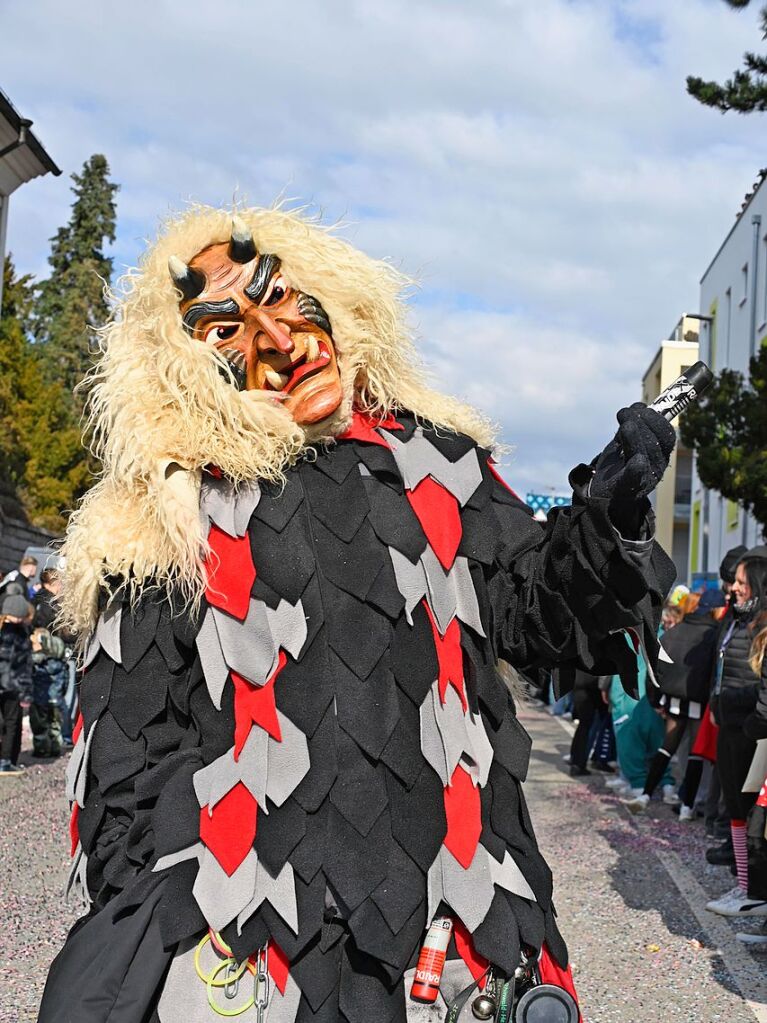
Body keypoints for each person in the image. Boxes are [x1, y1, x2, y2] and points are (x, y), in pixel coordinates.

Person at [38, 207, 675, 1022]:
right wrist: (169, 939)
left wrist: (605, 519)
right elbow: (128, 769)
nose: (278, 338)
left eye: (281, 296)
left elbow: (540, 616)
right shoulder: (164, 514)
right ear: (183, 369)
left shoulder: (438, 467)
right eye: (226, 329)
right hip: (255, 948)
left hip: (459, 927)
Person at [706, 555, 767, 917]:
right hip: (729, 725)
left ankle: (752, 889)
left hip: (750, 732)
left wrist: (744, 722)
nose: (734, 587)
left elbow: (760, 689)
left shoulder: (761, 627)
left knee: (749, 815)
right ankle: (744, 884)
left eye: (742, 581)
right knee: (736, 811)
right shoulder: (736, 619)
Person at [624, 591, 719, 814]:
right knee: (695, 753)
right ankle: (687, 806)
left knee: (667, 748)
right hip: (699, 700)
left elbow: (654, 668)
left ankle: (646, 795)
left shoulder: (674, 631)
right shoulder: (712, 635)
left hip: (673, 699)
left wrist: (657, 699)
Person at [0, 593, 33, 776]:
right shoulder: (20, 635)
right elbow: (24, 667)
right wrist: (26, 694)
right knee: (12, 723)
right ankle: (6, 761)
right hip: (12, 686)